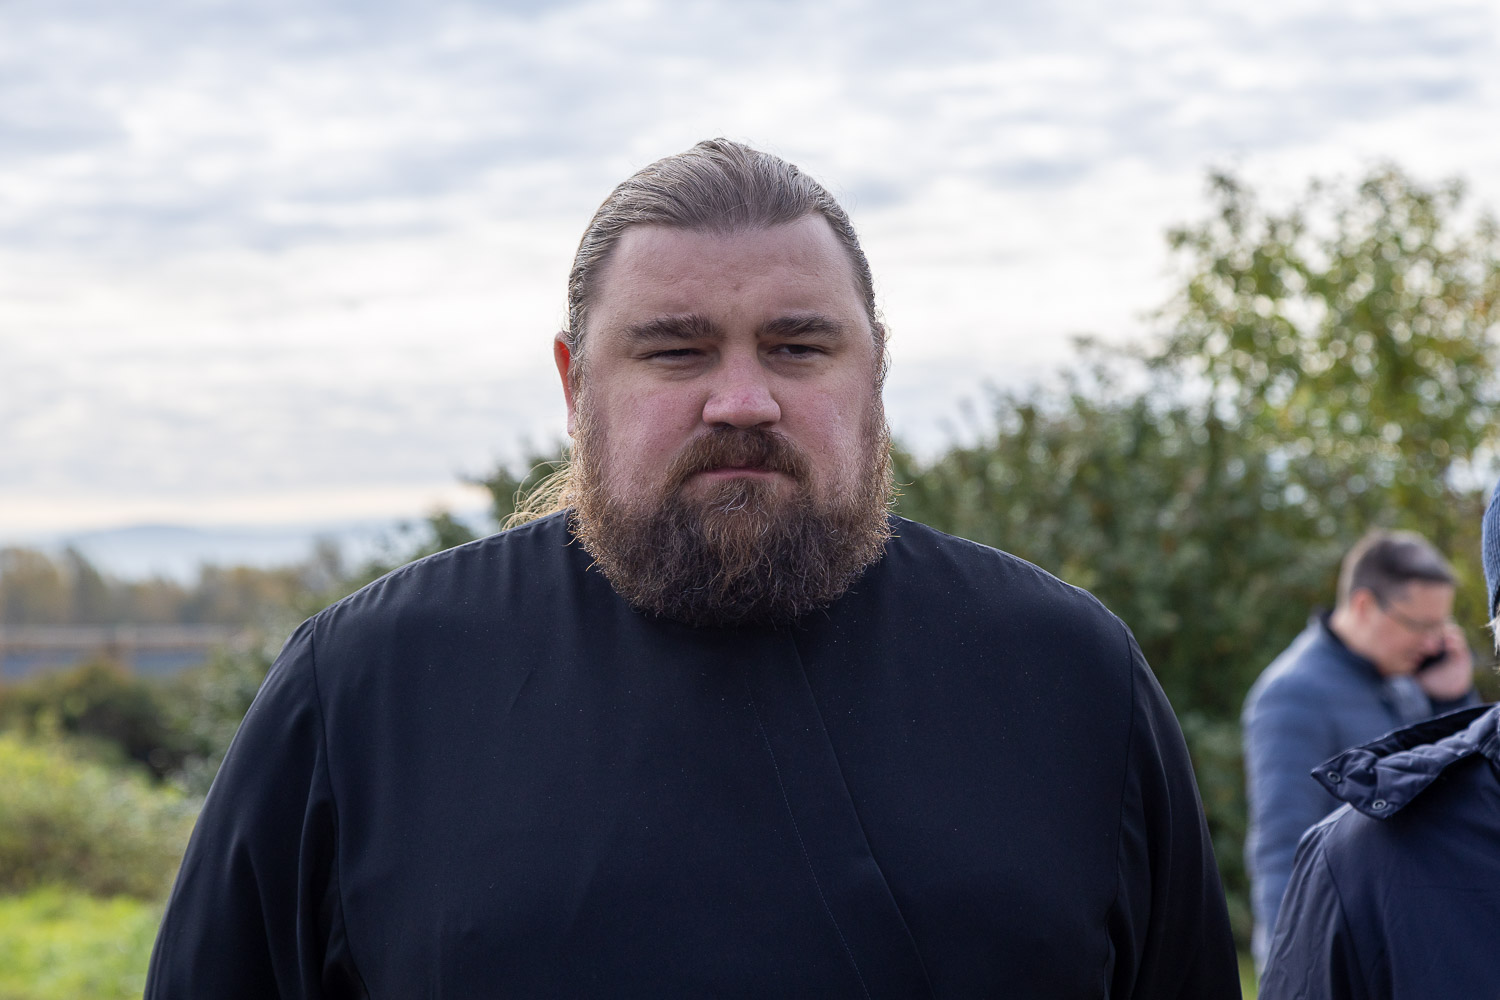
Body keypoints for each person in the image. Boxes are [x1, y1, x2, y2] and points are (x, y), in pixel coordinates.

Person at [145, 139, 1239, 998]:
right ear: (576, 386)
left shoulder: (1068, 676)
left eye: (798, 347)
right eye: (676, 350)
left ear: (874, 375)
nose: (743, 400)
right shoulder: (368, 685)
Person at [1258, 485, 1500, 999]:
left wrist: (1451, 699)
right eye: (1422, 625)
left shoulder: (1406, 679)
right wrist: (1299, 957)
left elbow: (1455, 780)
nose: (1435, 642)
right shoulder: (1292, 694)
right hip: (1347, 926)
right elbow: (1283, 845)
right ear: (1366, 606)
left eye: (1442, 625)